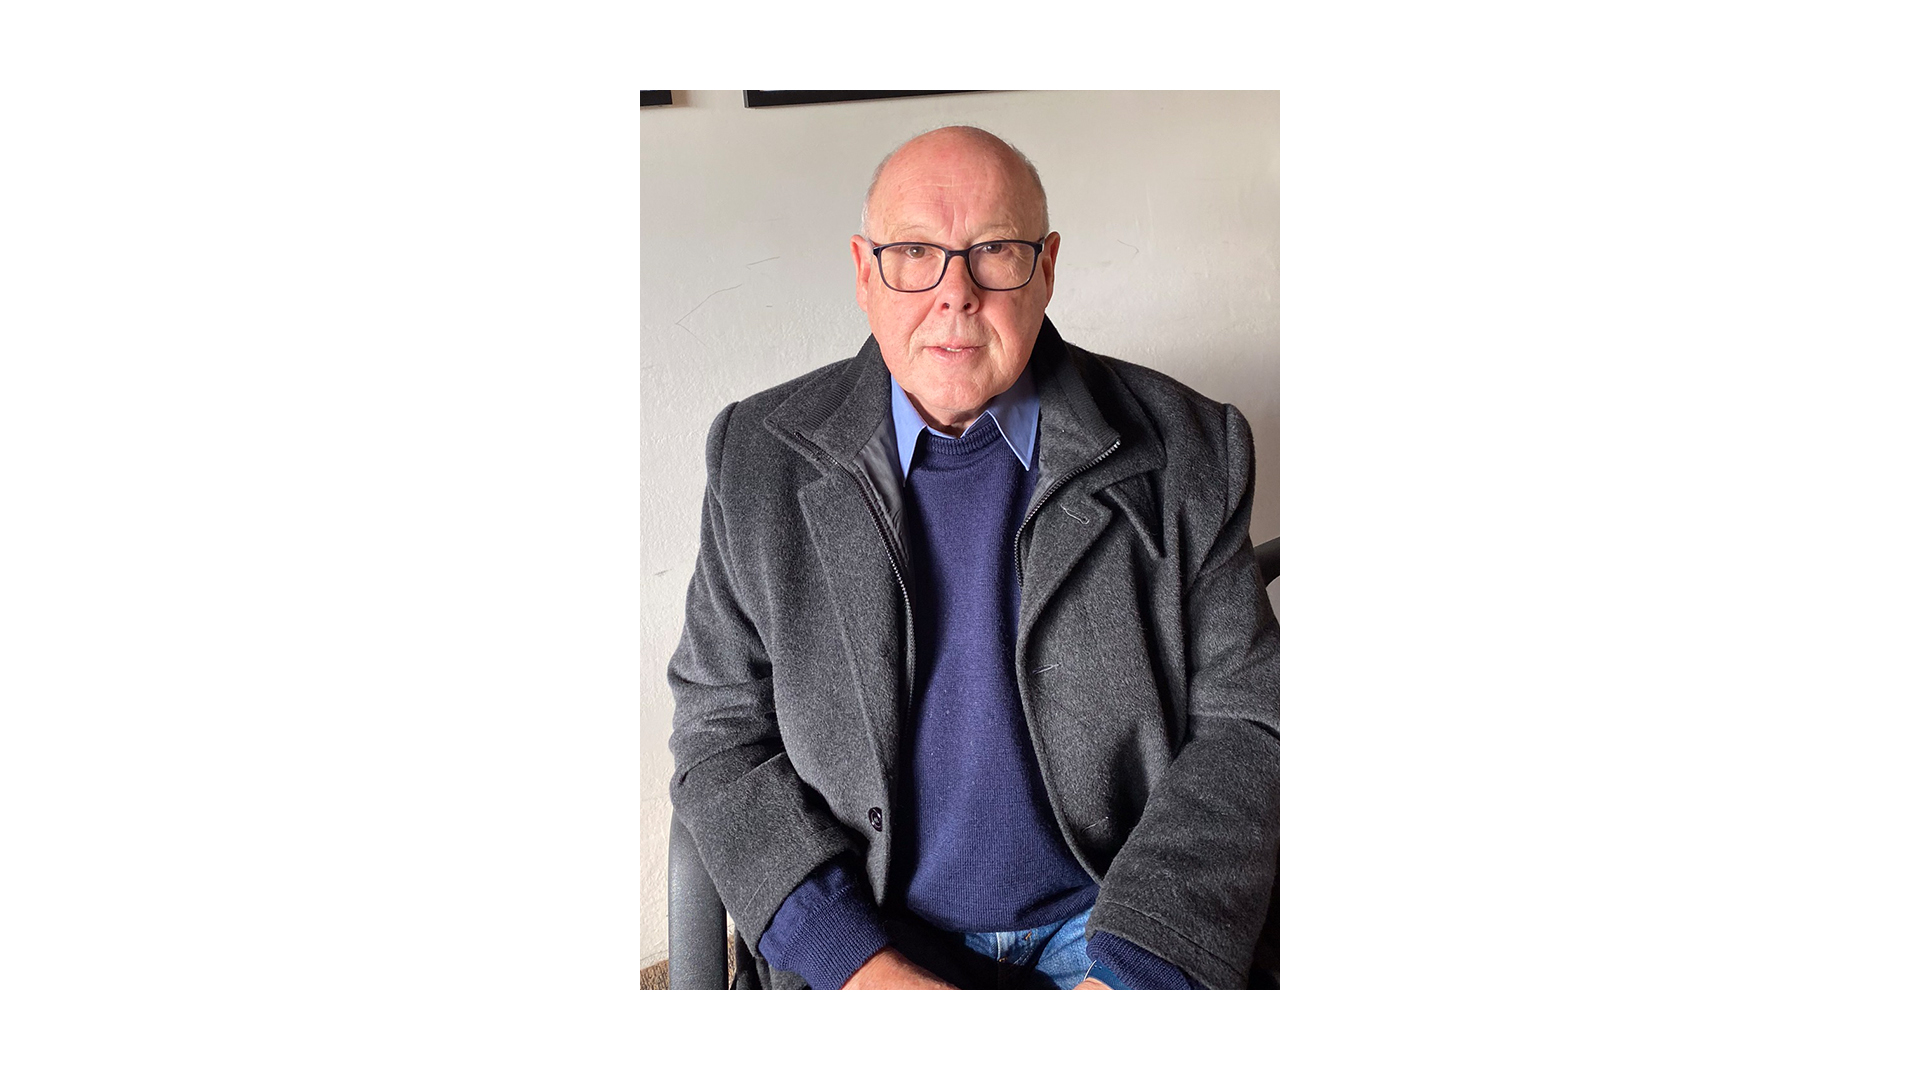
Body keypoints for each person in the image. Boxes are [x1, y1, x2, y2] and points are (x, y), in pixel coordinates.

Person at [668, 125, 1276, 989]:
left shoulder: (1191, 449)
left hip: (1115, 913)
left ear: (1047, 267)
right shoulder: (757, 458)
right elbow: (720, 733)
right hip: (869, 922)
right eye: (915, 252)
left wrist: (1139, 973)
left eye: (994, 250)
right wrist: (856, 964)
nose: (955, 293)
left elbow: (1251, 723)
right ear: (864, 272)